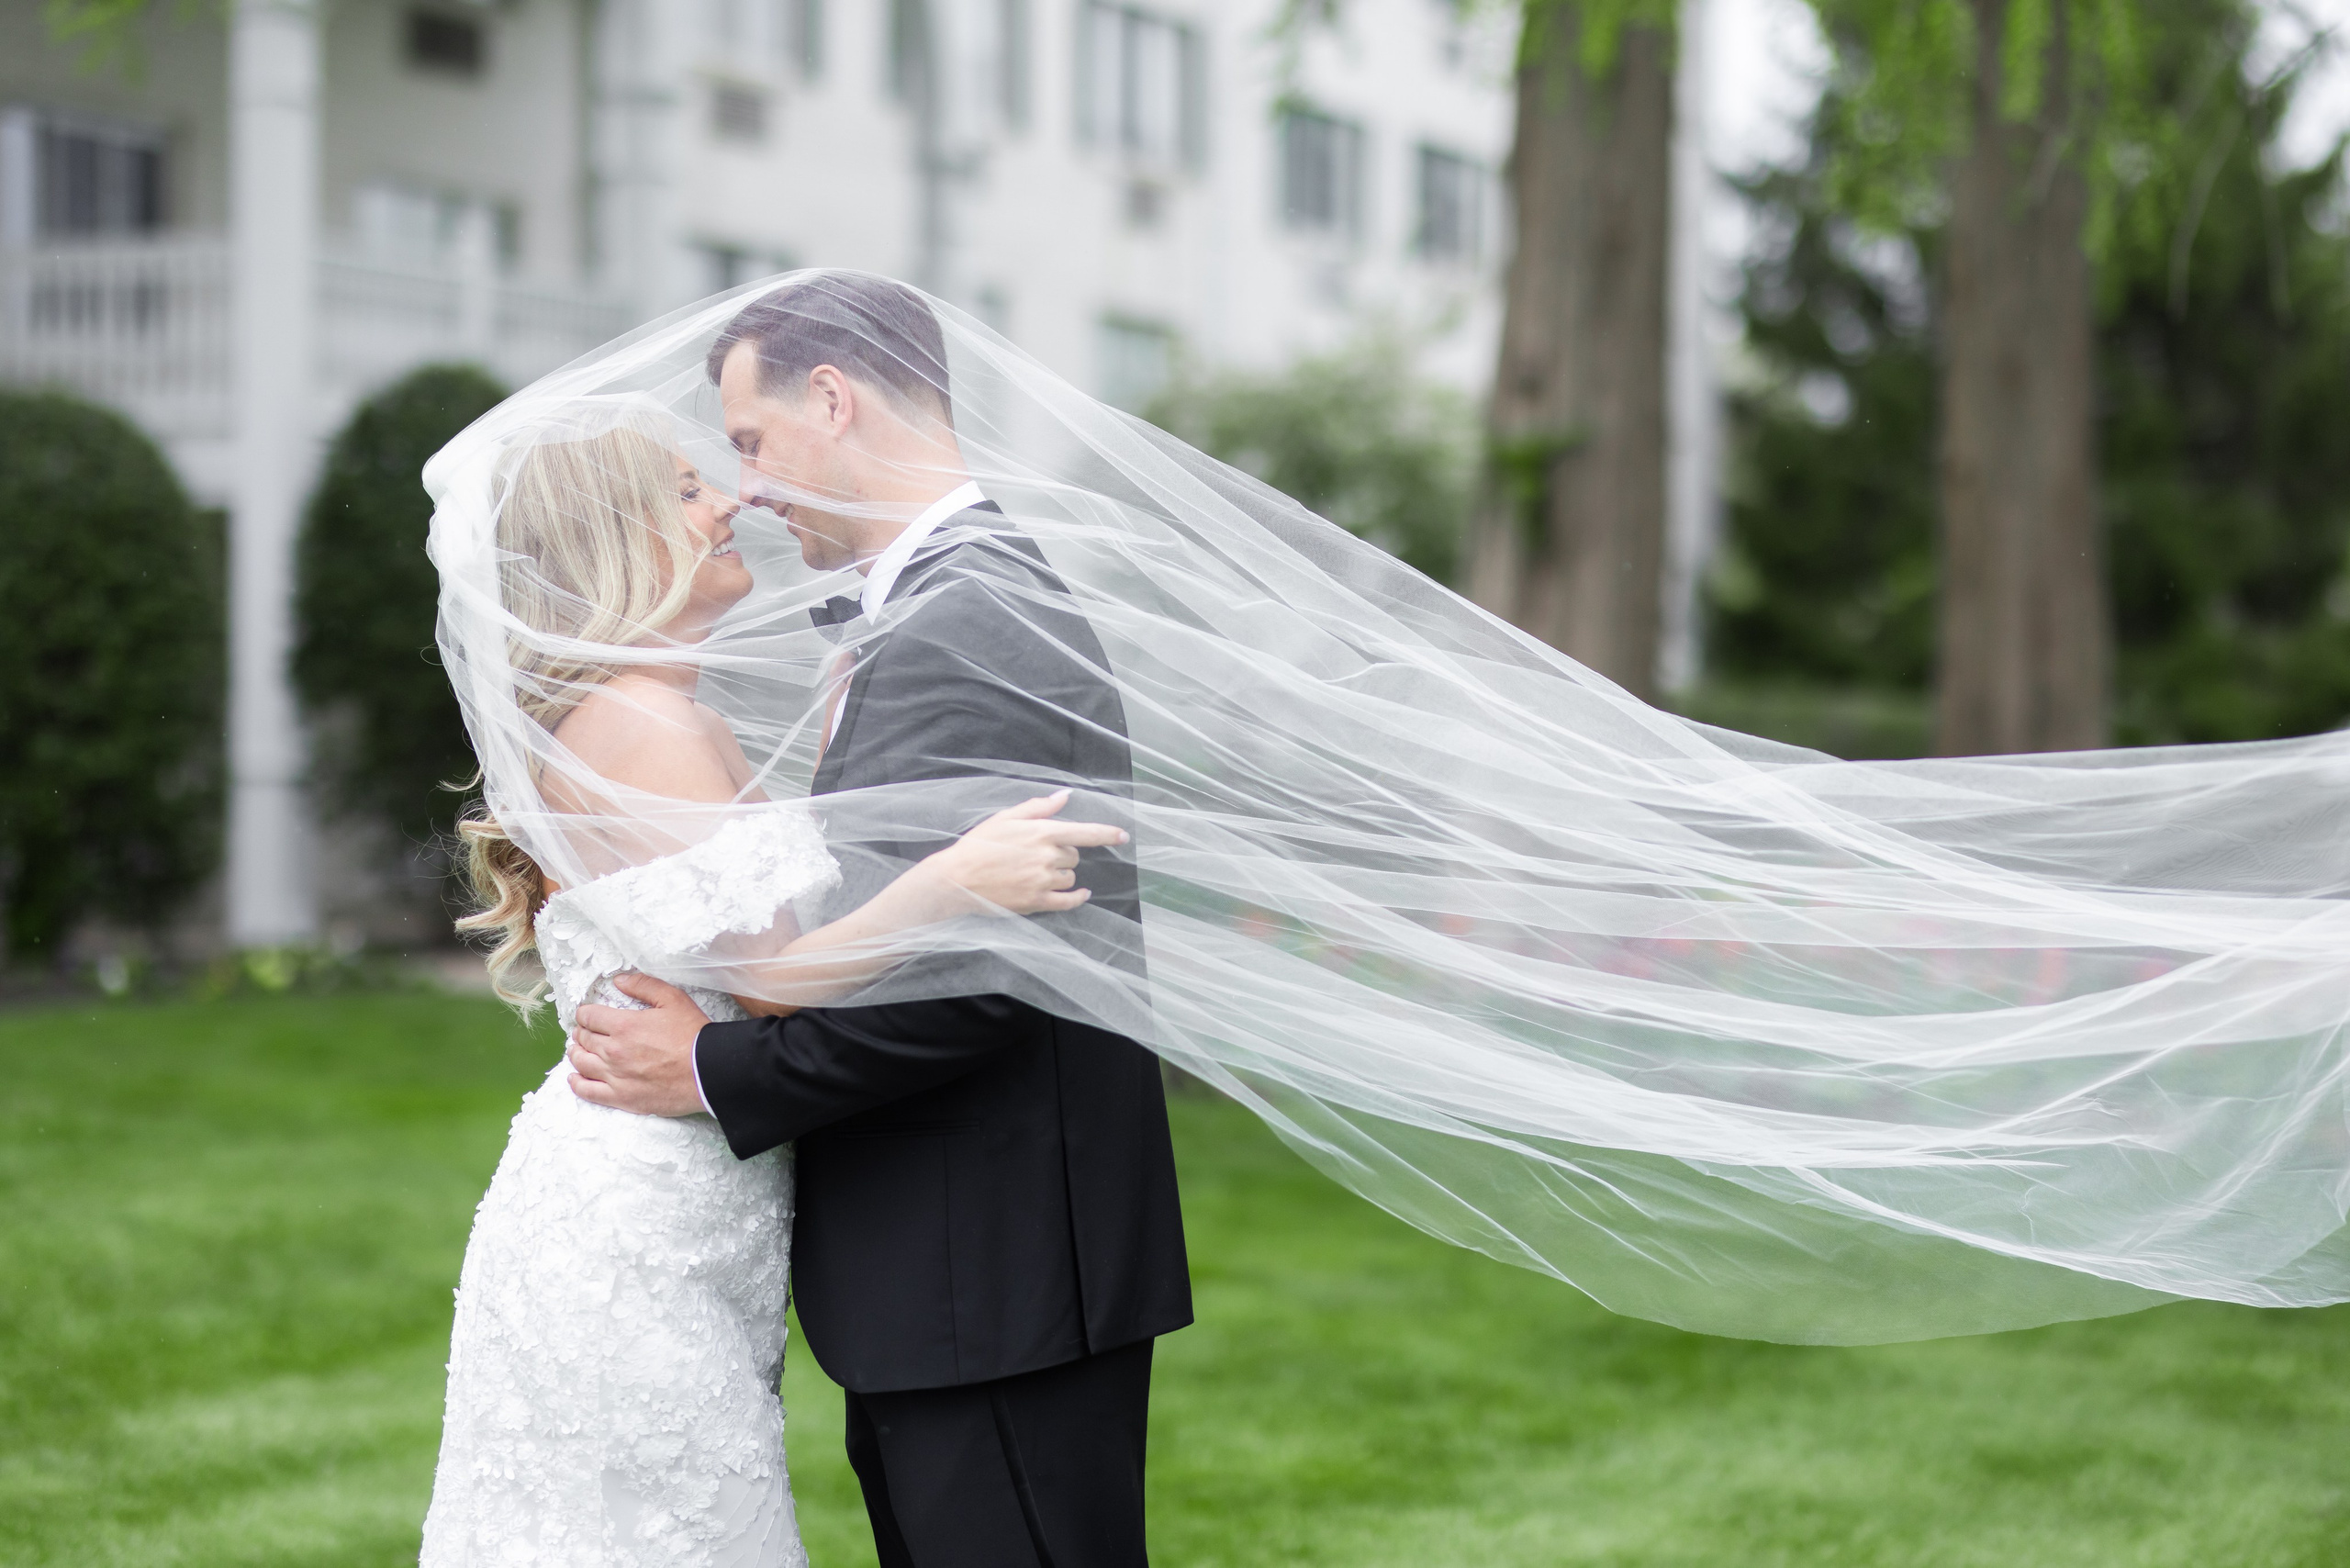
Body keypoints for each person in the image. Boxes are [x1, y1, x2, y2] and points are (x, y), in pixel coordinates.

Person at [418, 414, 1125, 1568]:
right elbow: (780, 981)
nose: (727, 503)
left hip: (689, 1195)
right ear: (620, 537)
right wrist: (954, 879)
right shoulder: (641, 721)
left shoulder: (669, 711)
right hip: (641, 1215)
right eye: (692, 488)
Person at [565, 274, 1192, 1568]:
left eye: (748, 441)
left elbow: (970, 988)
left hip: (996, 1273)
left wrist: (703, 1068)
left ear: (834, 401)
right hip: (967, 1271)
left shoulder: (972, 621)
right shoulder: (947, 599)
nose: (743, 486)